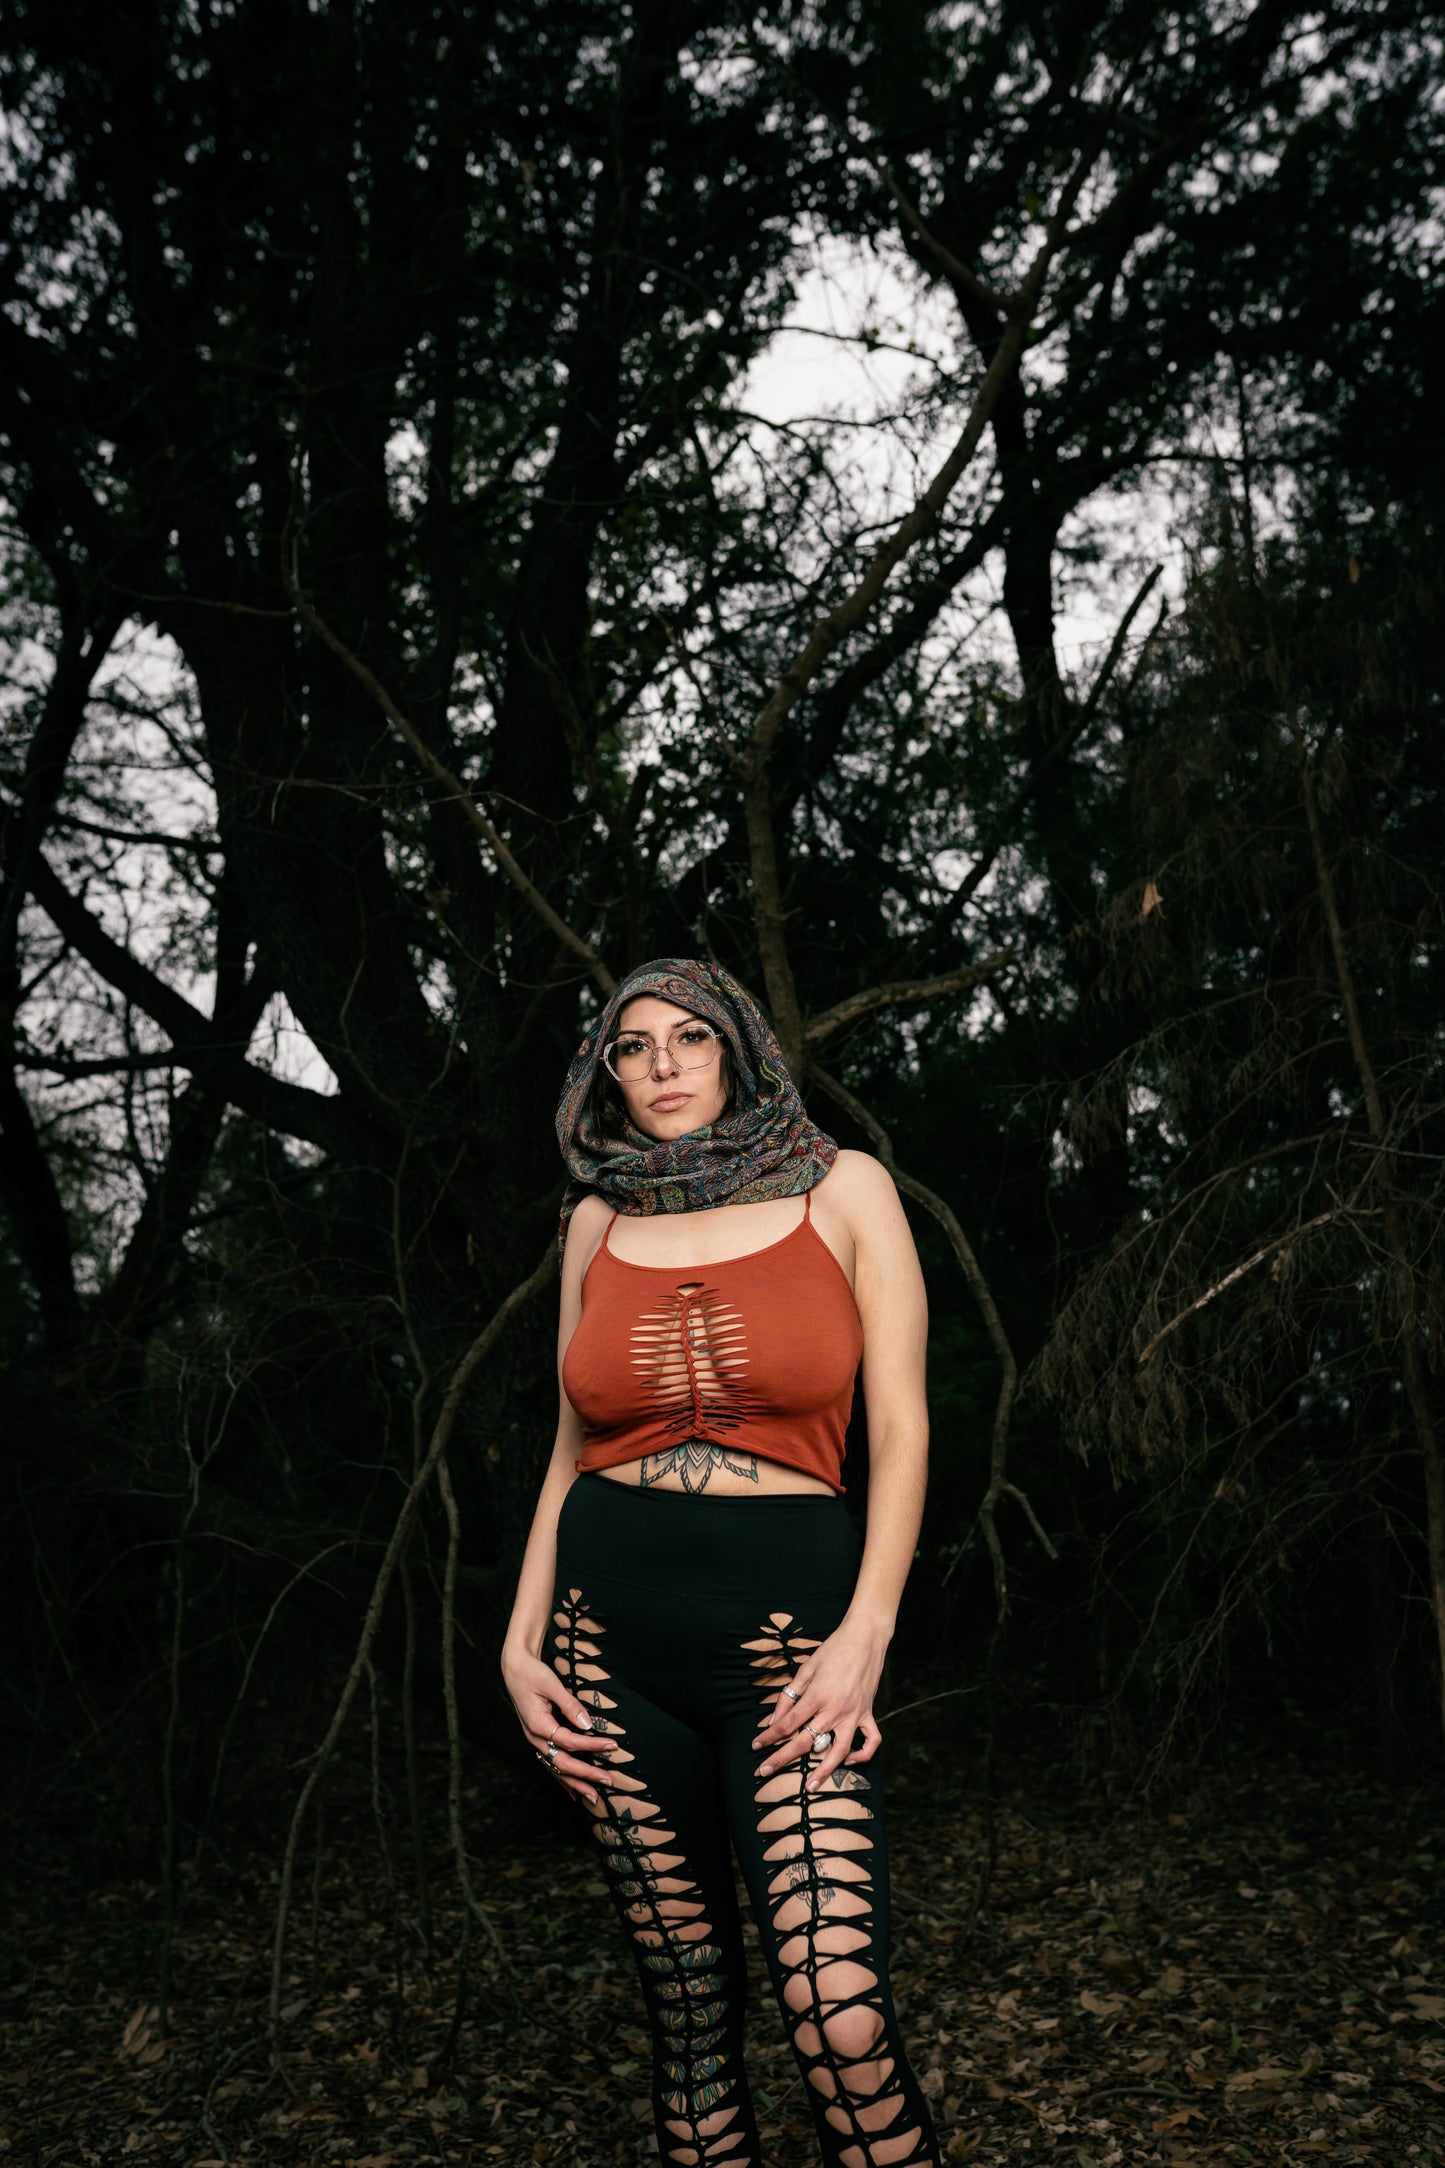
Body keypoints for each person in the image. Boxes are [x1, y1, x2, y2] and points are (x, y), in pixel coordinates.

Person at [501, 957, 941, 2168]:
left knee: (839, 2014)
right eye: (631, 1045)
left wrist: (867, 1632)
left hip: (792, 1641)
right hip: (606, 1647)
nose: (662, 1064)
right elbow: (567, 1445)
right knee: (689, 2014)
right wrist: (517, 1644)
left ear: (736, 1046)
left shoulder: (844, 1187)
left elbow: (901, 1427)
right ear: (605, 1073)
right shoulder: (595, 1219)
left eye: (689, 1035)